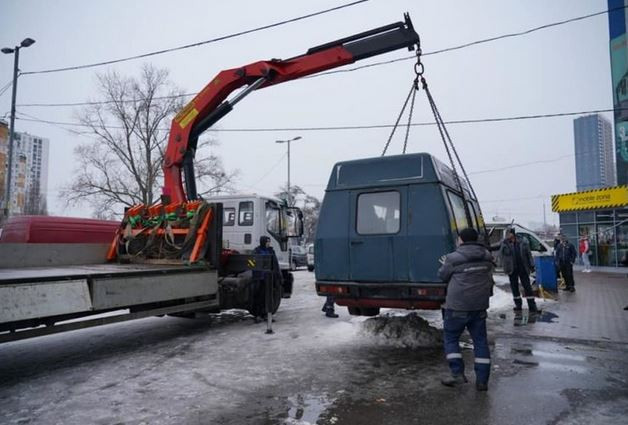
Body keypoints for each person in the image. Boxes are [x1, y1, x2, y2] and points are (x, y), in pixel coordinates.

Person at [438, 228, 494, 391]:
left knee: (451, 338)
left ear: (461, 240)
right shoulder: (487, 256)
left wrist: (444, 264)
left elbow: (442, 276)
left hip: (457, 307)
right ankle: (482, 381)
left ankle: (457, 374)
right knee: (480, 341)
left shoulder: (453, 258)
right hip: (479, 306)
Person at [500, 228, 539, 313]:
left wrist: (531, 265)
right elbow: (501, 256)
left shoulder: (523, 242)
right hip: (512, 269)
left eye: (508, 234)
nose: (507, 236)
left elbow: (528, 254)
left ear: (513, 234)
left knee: (527, 287)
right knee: (514, 288)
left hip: (523, 268)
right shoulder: (505, 244)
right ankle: (518, 305)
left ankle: (532, 306)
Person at [251, 236, 283, 319]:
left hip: (269, 278)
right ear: (263, 242)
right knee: (259, 296)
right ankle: (257, 314)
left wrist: (278, 275)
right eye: (267, 241)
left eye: (269, 241)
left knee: (268, 297)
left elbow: (275, 264)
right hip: (259, 278)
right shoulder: (257, 251)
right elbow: (252, 263)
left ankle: (266, 314)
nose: (269, 243)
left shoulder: (271, 251)